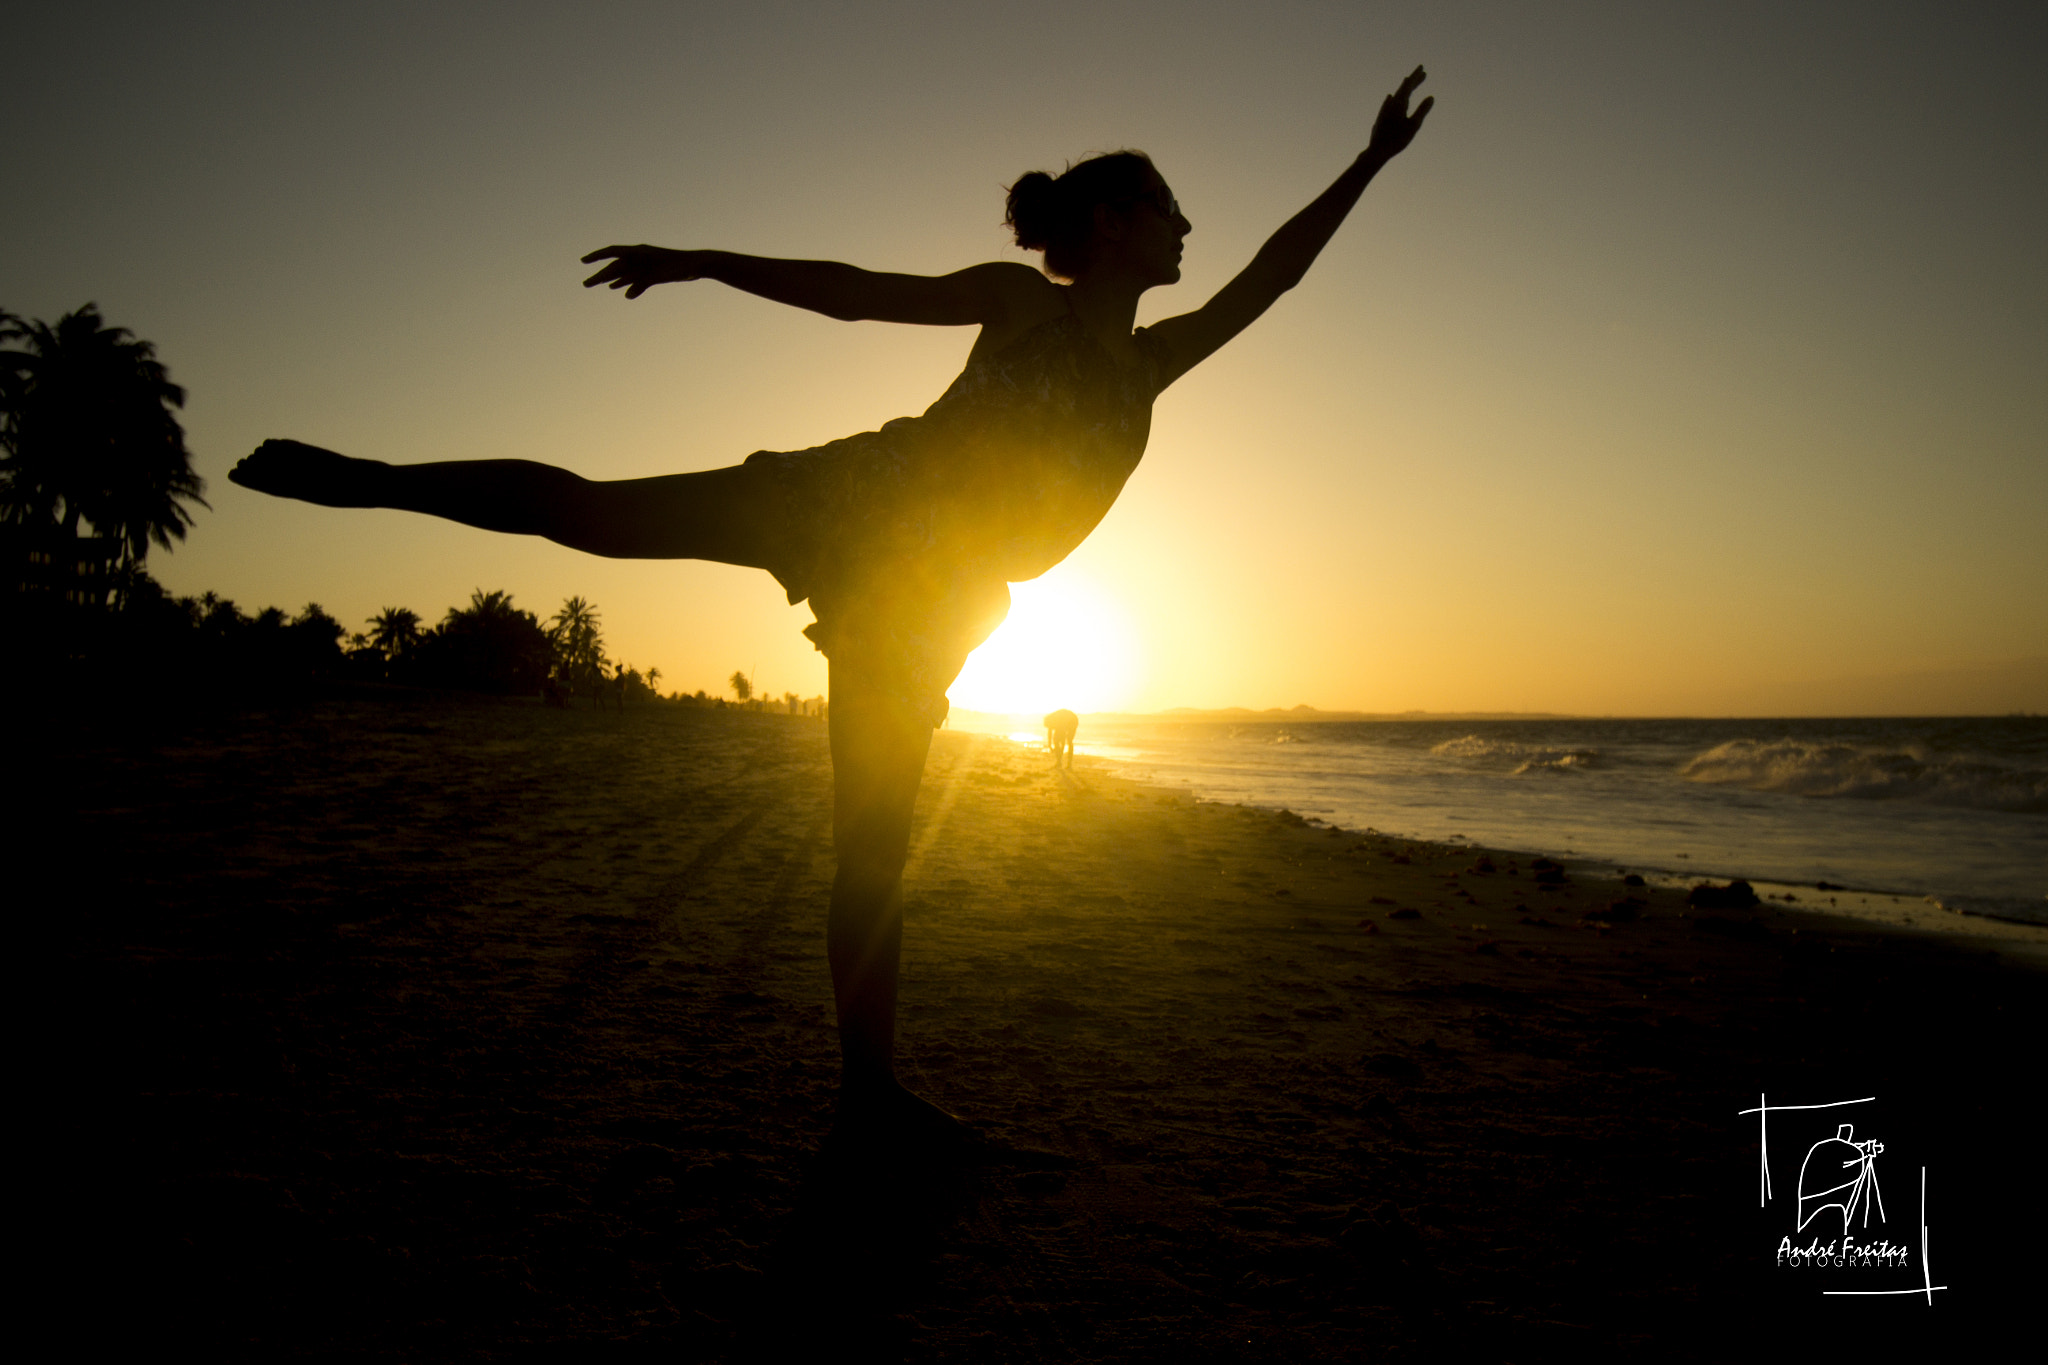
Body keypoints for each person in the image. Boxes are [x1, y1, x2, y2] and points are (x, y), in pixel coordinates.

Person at [229, 68, 1433, 1151]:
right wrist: (707, 262)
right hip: (854, 503)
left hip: (932, 600)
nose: (1186, 230)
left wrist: (1369, 163)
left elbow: (1275, 272)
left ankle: (870, 1096)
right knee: (591, 512)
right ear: (1113, 223)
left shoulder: (1152, 361)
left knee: (873, 849)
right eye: (1169, 210)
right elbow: (856, 295)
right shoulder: (1021, 305)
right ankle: (361, 479)